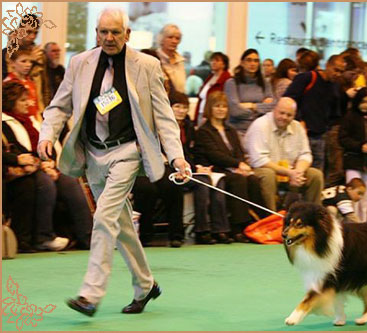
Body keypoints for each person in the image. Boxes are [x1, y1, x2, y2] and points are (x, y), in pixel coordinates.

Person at [37, 8, 190, 316]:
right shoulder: (79, 63)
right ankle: (146, 286)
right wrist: (46, 136)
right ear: (96, 33)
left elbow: (163, 116)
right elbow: (58, 106)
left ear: (127, 35)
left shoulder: (146, 65)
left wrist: (177, 156)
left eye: (115, 32)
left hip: (127, 152)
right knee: (120, 225)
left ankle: (90, 294)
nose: (108, 37)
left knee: (104, 217)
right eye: (103, 32)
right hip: (92, 154)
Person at [3, 81, 76, 252]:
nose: (28, 103)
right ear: (11, 101)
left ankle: (88, 236)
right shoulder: (5, 122)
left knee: (68, 181)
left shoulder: (29, 122)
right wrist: (23, 161)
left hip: (33, 168)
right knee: (40, 184)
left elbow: (38, 149)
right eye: (22, 100)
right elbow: (20, 153)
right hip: (11, 173)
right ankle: (40, 237)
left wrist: (47, 162)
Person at [194, 92, 265, 242]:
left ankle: (261, 224)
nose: (221, 109)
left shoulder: (231, 130)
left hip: (232, 169)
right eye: (217, 106)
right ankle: (238, 227)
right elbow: (214, 154)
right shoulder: (203, 131)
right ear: (209, 108)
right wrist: (237, 164)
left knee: (253, 180)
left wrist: (241, 165)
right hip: (214, 170)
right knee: (238, 180)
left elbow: (238, 151)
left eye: (224, 106)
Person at [170, 91, 232, 244]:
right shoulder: (163, 127)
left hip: (188, 169)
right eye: (177, 106)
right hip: (170, 169)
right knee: (202, 184)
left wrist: (199, 167)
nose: (181, 110)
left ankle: (220, 230)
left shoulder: (189, 127)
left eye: (184, 107)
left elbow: (192, 152)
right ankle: (201, 231)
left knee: (213, 180)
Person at [244, 97, 324, 212]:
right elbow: (259, 160)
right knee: (268, 175)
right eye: (281, 113)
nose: (284, 117)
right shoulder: (260, 125)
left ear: (294, 115)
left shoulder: (297, 127)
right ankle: (270, 218)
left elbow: (305, 154)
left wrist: (298, 172)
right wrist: (289, 173)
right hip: (261, 170)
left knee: (315, 175)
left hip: (290, 171)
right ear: (274, 110)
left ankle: (312, 216)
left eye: (289, 115)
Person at [283, 54, 344, 172]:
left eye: (341, 71)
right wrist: (299, 120)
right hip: (299, 133)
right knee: (297, 172)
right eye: (336, 70)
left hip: (320, 135)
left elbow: (335, 113)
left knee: (316, 174)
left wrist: (326, 127)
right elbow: (287, 101)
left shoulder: (335, 86)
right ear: (327, 65)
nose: (338, 74)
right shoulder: (307, 78)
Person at [339, 88, 367, 223]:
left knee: (366, 198)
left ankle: (363, 226)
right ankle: (352, 226)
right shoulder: (349, 117)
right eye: (363, 102)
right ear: (357, 101)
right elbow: (343, 139)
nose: (366, 105)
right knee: (353, 197)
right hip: (353, 162)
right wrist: (359, 146)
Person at [2, 13, 50, 109]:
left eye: (35, 33)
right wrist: (30, 60)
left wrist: (46, 109)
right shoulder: (8, 53)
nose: (32, 36)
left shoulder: (40, 54)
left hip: (37, 108)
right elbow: (9, 83)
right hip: (14, 108)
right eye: (28, 32)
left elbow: (45, 86)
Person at [224, 49, 275, 135]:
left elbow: (272, 107)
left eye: (256, 61)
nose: (253, 64)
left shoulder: (264, 83)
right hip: (237, 131)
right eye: (249, 60)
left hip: (260, 130)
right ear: (242, 63)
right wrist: (260, 109)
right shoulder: (232, 83)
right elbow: (234, 110)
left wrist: (252, 105)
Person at [194, 52, 231, 126]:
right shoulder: (210, 77)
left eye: (217, 60)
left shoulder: (227, 79)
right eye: (212, 60)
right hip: (202, 113)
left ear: (224, 64)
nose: (213, 62)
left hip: (213, 117)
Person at [4, 48, 41, 120]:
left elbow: (36, 108)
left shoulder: (30, 82)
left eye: (30, 62)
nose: (28, 65)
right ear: (12, 63)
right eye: (23, 61)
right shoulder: (9, 83)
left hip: (34, 121)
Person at [156, 24, 186, 93]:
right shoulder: (154, 59)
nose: (174, 41)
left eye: (177, 38)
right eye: (170, 37)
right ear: (162, 38)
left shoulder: (180, 61)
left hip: (178, 100)